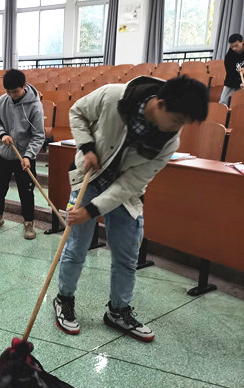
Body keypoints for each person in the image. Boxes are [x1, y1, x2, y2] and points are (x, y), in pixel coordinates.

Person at [52, 76, 209, 342]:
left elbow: (131, 183)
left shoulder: (169, 142)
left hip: (126, 194)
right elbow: (77, 112)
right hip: (90, 177)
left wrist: (92, 210)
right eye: (176, 120)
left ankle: (118, 310)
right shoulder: (114, 96)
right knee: (76, 247)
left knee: (126, 256)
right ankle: (63, 299)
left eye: (183, 123)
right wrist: (87, 147)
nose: (177, 128)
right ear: (160, 104)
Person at [0, 69, 46, 240]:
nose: (12, 95)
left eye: (15, 91)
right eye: (8, 92)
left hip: (24, 156)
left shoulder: (35, 106)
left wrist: (28, 155)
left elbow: (38, 135)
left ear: (24, 86)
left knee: (26, 191)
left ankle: (28, 223)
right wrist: (2, 135)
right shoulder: (3, 100)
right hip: (3, 153)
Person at [219, 33, 244, 105]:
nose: (234, 48)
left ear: (242, 42)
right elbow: (230, 73)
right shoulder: (229, 56)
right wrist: (239, 83)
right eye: (232, 46)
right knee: (223, 102)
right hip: (231, 82)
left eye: (236, 46)